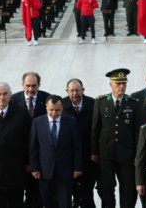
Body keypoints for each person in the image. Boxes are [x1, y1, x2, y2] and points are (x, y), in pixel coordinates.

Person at [91, 68, 142, 208]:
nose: (121, 86)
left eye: (124, 83)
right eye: (118, 83)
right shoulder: (101, 102)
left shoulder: (133, 103)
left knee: (128, 189)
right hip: (106, 154)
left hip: (127, 154)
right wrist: (94, 152)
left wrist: (138, 154)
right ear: (111, 84)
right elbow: (95, 129)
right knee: (106, 188)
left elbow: (138, 131)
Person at [30, 94, 82, 208]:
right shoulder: (37, 122)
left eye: (57, 110)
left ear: (62, 107)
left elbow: (77, 147)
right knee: (47, 201)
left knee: (64, 203)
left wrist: (77, 167)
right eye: (51, 110)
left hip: (65, 171)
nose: (54, 113)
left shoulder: (71, 122)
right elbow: (33, 147)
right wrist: (34, 168)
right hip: (44, 171)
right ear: (46, 107)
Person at [0, 82, 31, 207]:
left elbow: (28, 141)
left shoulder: (22, 114)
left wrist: (29, 163)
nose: (2, 97)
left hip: (16, 172)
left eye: (5, 94)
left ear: (10, 95)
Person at [10, 72, 50, 208]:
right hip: (19, 155)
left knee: (37, 193)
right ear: (22, 85)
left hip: (40, 155)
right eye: (27, 85)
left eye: (34, 85)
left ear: (39, 85)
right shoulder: (13, 100)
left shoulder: (46, 99)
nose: (31, 89)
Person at [62, 79, 97, 208]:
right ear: (67, 91)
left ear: (83, 90)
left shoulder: (93, 104)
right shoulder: (62, 105)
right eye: (72, 90)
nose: (75, 93)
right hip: (68, 157)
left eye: (77, 90)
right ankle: (76, 201)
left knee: (87, 190)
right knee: (71, 188)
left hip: (88, 156)